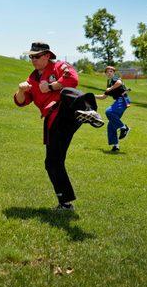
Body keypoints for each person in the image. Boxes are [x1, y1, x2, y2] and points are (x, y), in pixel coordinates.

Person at [14, 42, 104, 211]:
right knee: (52, 162)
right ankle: (65, 203)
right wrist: (20, 90)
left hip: (68, 111)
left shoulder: (60, 66)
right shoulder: (32, 79)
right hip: (54, 122)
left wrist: (50, 86)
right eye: (31, 56)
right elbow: (22, 102)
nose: (33, 59)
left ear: (47, 55)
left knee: (65, 91)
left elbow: (73, 79)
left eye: (37, 56)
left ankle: (90, 112)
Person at [95, 66, 131, 152]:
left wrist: (110, 88)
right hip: (119, 101)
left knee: (109, 111)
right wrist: (93, 96)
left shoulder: (115, 78)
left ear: (113, 72)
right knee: (111, 125)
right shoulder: (109, 82)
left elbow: (119, 83)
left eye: (111, 71)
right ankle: (116, 146)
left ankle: (124, 128)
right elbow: (103, 96)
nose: (109, 73)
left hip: (122, 100)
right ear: (105, 73)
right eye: (107, 72)